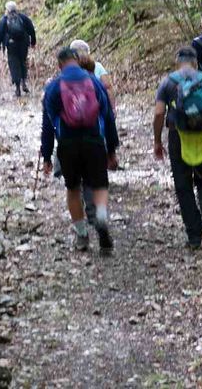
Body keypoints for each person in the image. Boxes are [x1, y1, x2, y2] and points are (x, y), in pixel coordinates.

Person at [40, 48, 120, 253]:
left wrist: (47, 154)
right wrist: (111, 149)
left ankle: (82, 235)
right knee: (99, 185)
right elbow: (108, 116)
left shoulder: (54, 87)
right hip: (94, 141)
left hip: (68, 144)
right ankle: (101, 217)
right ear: (77, 60)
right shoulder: (93, 82)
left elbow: (48, 125)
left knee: (73, 188)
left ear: (60, 65)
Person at [153, 46, 202, 248]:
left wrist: (157, 141)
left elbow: (159, 113)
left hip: (177, 136)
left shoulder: (168, 82)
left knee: (183, 184)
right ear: (196, 62)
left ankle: (194, 234)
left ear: (177, 61)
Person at [69, 39, 114, 225]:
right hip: (95, 130)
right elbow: (108, 88)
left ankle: (80, 228)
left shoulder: (65, 76)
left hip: (70, 136)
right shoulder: (98, 71)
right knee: (93, 174)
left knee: (73, 184)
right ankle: (96, 213)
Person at [0, 1, 36, 97]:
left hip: (11, 45)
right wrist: (33, 41)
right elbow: (31, 29)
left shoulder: (4, 20)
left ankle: (17, 88)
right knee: (23, 61)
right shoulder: (23, 17)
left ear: (7, 10)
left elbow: (0, 34)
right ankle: (24, 82)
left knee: (14, 64)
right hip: (23, 44)